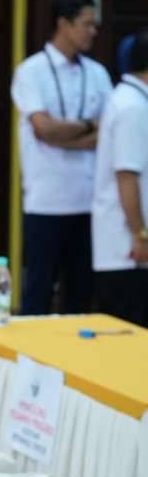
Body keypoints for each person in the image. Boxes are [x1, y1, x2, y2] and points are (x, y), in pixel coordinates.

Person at [10, 0, 113, 315]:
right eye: (86, 24)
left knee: (81, 295)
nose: (93, 31)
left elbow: (110, 133)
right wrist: (87, 125)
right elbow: (43, 129)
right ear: (64, 24)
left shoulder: (96, 72)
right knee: (38, 292)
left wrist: (65, 134)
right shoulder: (32, 71)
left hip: (89, 200)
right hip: (46, 201)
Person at [91, 29, 148, 327]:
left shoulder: (132, 101)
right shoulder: (132, 107)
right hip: (127, 250)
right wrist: (140, 235)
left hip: (128, 248)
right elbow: (127, 175)